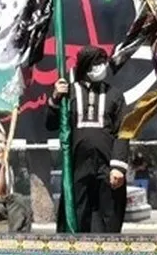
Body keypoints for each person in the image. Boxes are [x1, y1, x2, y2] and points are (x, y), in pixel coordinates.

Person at [48, 45, 129, 233]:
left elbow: (123, 131)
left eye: (103, 62)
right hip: (77, 166)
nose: (102, 67)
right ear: (86, 66)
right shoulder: (68, 93)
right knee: (76, 215)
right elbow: (51, 124)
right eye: (97, 63)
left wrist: (118, 166)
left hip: (107, 166)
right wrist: (56, 98)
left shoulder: (115, 95)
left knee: (107, 217)